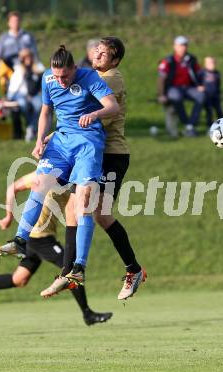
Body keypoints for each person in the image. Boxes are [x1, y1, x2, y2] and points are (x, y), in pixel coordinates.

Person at [0, 46, 119, 290]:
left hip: (87, 144)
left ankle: (79, 267)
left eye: (65, 76)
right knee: (39, 183)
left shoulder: (89, 77)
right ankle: (20, 240)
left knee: (83, 200)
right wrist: (39, 139)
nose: (61, 81)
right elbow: (45, 111)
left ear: (74, 68)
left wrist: (95, 114)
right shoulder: (48, 79)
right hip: (60, 142)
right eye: (57, 76)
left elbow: (112, 106)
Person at [40, 37, 146, 301]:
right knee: (74, 208)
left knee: (99, 213)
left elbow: (84, 112)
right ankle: (68, 273)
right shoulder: (89, 77)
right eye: (97, 50)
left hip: (111, 154)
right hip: (90, 152)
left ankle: (134, 271)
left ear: (115, 60)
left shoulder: (111, 78)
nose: (98, 54)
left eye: (105, 53)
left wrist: (56, 133)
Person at [0, 172, 112, 326]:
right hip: (39, 237)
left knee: (19, 279)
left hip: (40, 237)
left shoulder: (75, 174)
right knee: (71, 269)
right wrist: (8, 216)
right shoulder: (46, 173)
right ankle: (87, 314)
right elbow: (13, 187)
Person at [0, 11, 41, 139]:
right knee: (17, 103)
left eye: (17, 20)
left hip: (29, 71)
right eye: (13, 21)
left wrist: (36, 68)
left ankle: (31, 128)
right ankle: (21, 131)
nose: (15, 23)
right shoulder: (4, 38)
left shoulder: (27, 36)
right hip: (11, 74)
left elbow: (35, 54)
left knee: (36, 101)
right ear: (8, 23)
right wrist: (2, 74)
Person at [157, 36, 204, 137]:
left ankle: (190, 125)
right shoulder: (168, 60)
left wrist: (200, 85)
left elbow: (199, 73)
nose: (183, 48)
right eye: (181, 45)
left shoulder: (191, 59)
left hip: (188, 88)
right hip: (173, 88)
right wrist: (161, 95)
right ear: (175, 47)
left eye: (185, 45)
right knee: (176, 97)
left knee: (201, 96)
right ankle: (187, 122)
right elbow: (161, 79)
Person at [7, 48, 45, 142]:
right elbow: (14, 87)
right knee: (23, 104)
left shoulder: (38, 68)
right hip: (20, 94)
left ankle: (30, 128)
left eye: (29, 57)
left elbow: (42, 84)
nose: (28, 59)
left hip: (35, 94)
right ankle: (32, 128)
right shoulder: (19, 69)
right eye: (25, 57)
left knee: (39, 105)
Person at [199, 56, 223, 128]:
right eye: (209, 63)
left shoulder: (217, 73)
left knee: (219, 111)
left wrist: (219, 92)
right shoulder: (202, 73)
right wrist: (199, 87)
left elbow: (218, 84)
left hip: (215, 96)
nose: (212, 64)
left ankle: (222, 125)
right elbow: (198, 81)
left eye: (213, 63)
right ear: (205, 64)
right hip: (207, 96)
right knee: (209, 112)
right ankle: (209, 126)